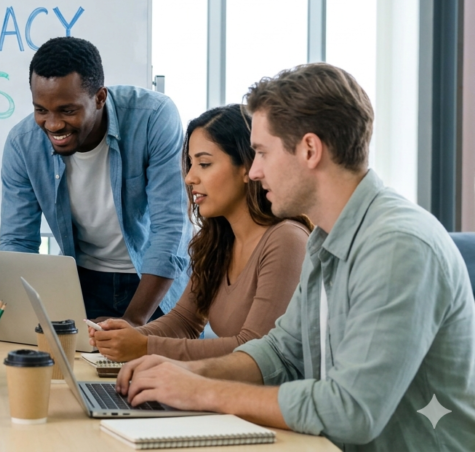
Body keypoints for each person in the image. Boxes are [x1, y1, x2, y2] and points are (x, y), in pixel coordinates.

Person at [116, 63, 475, 451]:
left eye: (261, 153)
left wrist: (203, 391)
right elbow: (280, 353)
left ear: (309, 150)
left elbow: (351, 411)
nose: (253, 172)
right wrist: (183, 373)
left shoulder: (397, 246)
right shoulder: (327, 238)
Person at [90, 105, 310, 362]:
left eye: (204, 164)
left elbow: (254, 350)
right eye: (191, 164)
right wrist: (126, 335)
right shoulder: (220, 242)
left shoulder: (286, 240)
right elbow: (184, 320)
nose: (189, 178)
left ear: (247, 168)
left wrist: (145, 346)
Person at [0, 37, 192, 322]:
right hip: (84, 286)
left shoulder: (153, 117)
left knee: (159, 367)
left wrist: (132, 322)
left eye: (67, 110)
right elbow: (18, 242)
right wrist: (18, 321)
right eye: (41, 110)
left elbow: (171, 230)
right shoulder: (22, 143)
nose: (52, 124)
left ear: (100, 97)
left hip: (156, 284)